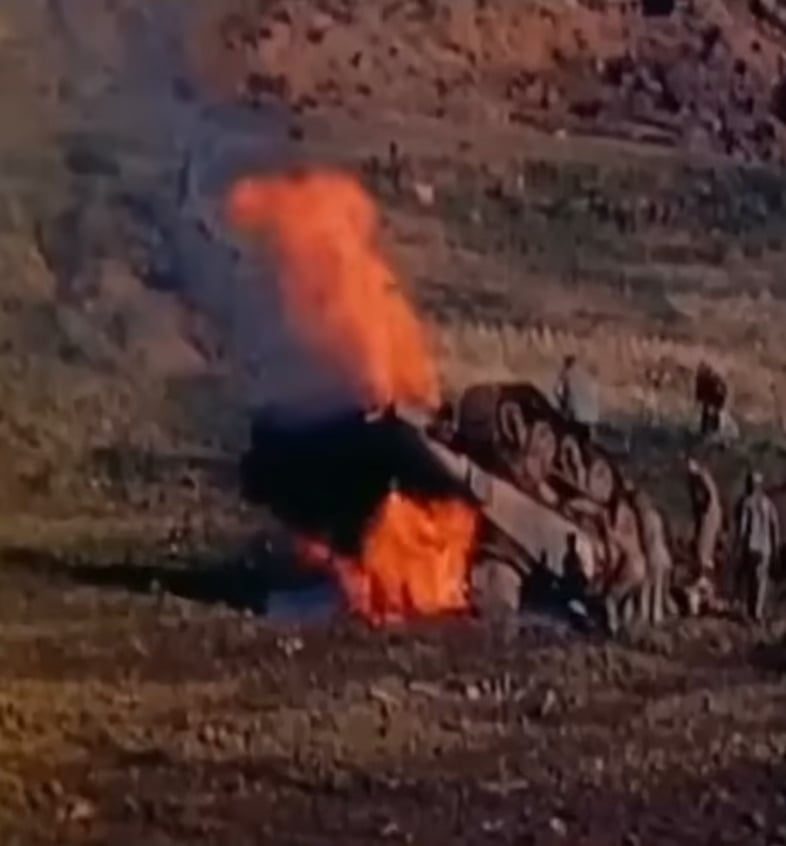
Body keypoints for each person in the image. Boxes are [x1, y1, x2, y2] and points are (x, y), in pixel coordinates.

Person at [735, 470, 780, 622]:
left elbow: (742, 528)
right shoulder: (769, 504)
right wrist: (775, 548)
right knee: (761, 581)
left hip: (751, 546)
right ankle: (757, 612)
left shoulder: (747, 503)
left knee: (749, 579)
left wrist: (737, 546)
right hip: (765, 548)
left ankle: (749, 610)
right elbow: (775, 528)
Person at [684, 458, 724, 614]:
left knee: (703, 559)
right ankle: (707, 598)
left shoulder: (703, 483)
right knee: (704, 560)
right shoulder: (705, 484)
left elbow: (706, 499)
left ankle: (701, 598)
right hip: (708, 522)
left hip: (708, 523)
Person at [553, 355, 599, 441]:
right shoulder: (568, 374)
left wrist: (562, 401)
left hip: (570, 408)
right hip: (575, 408)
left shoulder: (564, 374)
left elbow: (557, 390)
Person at [694, 361, 728, 440]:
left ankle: (717, 432)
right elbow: (698, 392)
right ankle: (704, 432)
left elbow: (722, 391)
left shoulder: (714, 379)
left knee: (716, 414)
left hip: (717, 397)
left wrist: (718, 405)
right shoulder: (700, 379)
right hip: (710, 397)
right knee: (705, 413)